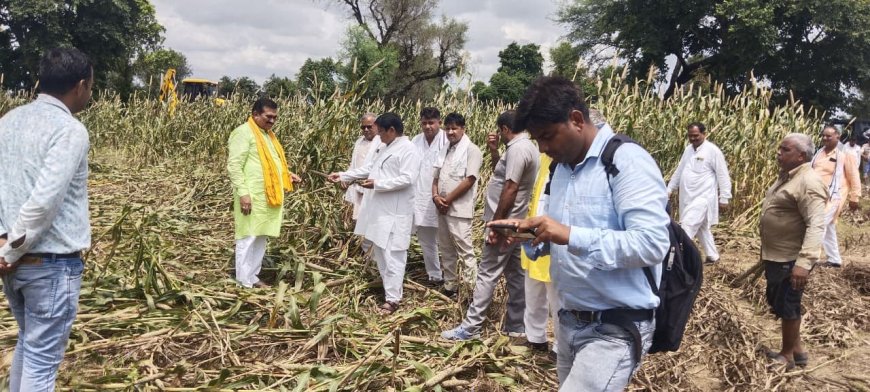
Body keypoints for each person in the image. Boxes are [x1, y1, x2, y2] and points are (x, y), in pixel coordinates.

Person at [490, 76, 670, 390]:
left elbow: (652, 244)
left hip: (614, 327)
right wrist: (529, 237)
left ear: (575, 120)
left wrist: (569, 234)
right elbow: (557, 237)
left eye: (547, 136)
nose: (543, 149)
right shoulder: (560, 170)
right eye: (537, 140)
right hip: (569, 321)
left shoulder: (626, 162)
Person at [0, 47, 93, 392]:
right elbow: (44, 202)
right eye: (91, 87)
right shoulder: (69, 130)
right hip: (49, 265)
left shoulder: (9, 120)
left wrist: (3, 239)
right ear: (81, 85)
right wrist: (9, 251)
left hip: (16, 263)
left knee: (29, 343)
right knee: (41, 362)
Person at [441, 110, 538, 340]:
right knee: (516, 276)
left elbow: (511, 188)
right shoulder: (525, 148)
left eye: (500, 132)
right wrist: (495, 152)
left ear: (505, 129)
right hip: (516, 223)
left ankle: (471, 327)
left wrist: (497, 225)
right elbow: (502, 176)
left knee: (487, 273)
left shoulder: (518, 149)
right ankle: (516, 326)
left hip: (505, 225)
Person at [328, 113, 421, 314]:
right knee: (381, 253)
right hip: (380, 212)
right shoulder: (386, 146)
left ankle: (393, 299)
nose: (378, 136)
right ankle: (389, 292)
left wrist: (378, 184)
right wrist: (344, 175)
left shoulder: (409, 150)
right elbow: (371, 168)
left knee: (394, 255)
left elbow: (407, 179)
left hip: (396, 213)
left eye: (381, 132)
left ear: (392, 131)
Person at [760, 133, 827, 370]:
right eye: (780, 148)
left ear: (801, 155)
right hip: (776, 255)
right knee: (778, 302)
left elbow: (816, 224)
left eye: (785, 149)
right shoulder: (788, 177)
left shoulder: (809, 182)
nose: (779, 152)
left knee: (789, 306)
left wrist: (804, 263)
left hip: (791, 259)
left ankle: (786, 355)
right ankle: (798, 350)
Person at [227, 98, 302, 288]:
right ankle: (243, 281)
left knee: (260, 237)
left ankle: (253, 276)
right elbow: (234, 166)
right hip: (251, 196)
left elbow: (270, 164)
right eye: (268, 117)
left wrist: (286, 174)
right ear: (255, 114)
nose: (272, 121)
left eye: (275, 117)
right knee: (247, 237)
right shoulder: (243, 133)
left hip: (267, 197)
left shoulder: (268, 136)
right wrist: (243, 193)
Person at [431, 113, 482, 296]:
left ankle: (471, 291)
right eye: (448, 128)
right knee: (445, 248)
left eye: (455, 128)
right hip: (442, 208)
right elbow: (435, 177)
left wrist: (448, 200)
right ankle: (450, 286)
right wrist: (436, 197)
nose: (451, 132)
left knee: (465, 250)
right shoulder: (444, 149)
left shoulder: (472, 150)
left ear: (463, 129)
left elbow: (470, 179)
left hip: (459, 209)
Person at [667, 122, 732, 264]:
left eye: (696, 136)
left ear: (704, 134)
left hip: (703, 198)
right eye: (690, 136)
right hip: (687, 198)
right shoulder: (688, 150)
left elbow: (723, 174)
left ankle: (677, 260)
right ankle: (713, 256)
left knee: (686, 228)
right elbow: (680, 171)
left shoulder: (713, 151)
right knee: (702, 229)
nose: (693, 139)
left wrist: (725, 197)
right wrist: (670, 188)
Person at [521, 153, 560, 355]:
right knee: (533, 293)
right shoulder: (544, 157)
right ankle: (535, 338)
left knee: (557, 299)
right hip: (534, 234)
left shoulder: (569, 158)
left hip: (556, 238)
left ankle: (560, 347)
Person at [811, 126, 861, 268]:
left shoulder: (844, 156)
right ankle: (834, 259)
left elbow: (854, 177)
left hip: (833, 197)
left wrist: (854, 197)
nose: (825, 138)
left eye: (829, 136)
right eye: (824, 136)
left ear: (837, 137)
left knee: (819, 225)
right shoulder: (818, 153)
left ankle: (810, 259)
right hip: (816, 196)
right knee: (829, 227)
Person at [411, 107, 448, 286]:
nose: (427, 127)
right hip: (418, 197)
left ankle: (453, 277)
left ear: (439, 122)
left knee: (447, 240)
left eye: (431, 123)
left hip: (441, 197)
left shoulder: (447, 140)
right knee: (426, 240)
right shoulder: (415, 141)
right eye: (424, 123)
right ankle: (435, 275)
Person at [343, 113, 380, 221]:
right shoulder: (359, 141)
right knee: (357, 219)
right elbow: (354, 164)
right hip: (357, 186)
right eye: (363, 127)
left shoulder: (381, 142)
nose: (366, 129)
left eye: (369, 126)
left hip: (372, 188)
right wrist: (346, 177)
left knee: (370, 221)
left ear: (377, 126)